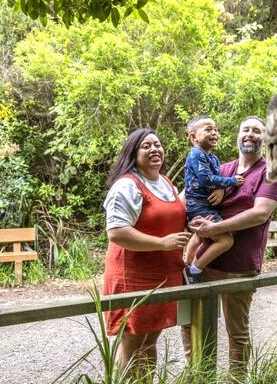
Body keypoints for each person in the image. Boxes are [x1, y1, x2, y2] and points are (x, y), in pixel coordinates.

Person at [182, 116, 277, 380]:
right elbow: (187, 194)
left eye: (256, 131)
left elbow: (259, 214)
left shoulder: (270, 171)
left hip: (239, 267)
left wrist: (214, 229)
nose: (249, 135)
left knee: (236, 333)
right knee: (192, 324)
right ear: (238, 135)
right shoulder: (224, 169)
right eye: (245, 130)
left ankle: (236, 380)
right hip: (206, 262)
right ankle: (198, 377)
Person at [103, 128, 192, 370]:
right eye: (146, 146)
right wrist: (162, 243)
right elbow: (117, 231)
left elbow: (169, 215)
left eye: (158, 145)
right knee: (132, 341)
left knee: (151, 339)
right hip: (133, 276)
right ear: (133, 153)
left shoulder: (165, 182)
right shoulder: (127, 186)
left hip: (164, 275)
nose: (154, 149)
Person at [183, 116, 244, 284]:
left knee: (202, 236)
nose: (214, 133)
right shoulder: (196, 153)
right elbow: (206, 179)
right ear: (193, 138)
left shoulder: (214, 158)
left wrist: (222, 187)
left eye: (216, 130)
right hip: (199, 206)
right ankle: (194, 269)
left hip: (207, 205)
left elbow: (215, 179)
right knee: (226, 240)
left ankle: (186, 263)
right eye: (208, 129)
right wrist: (231, 181)